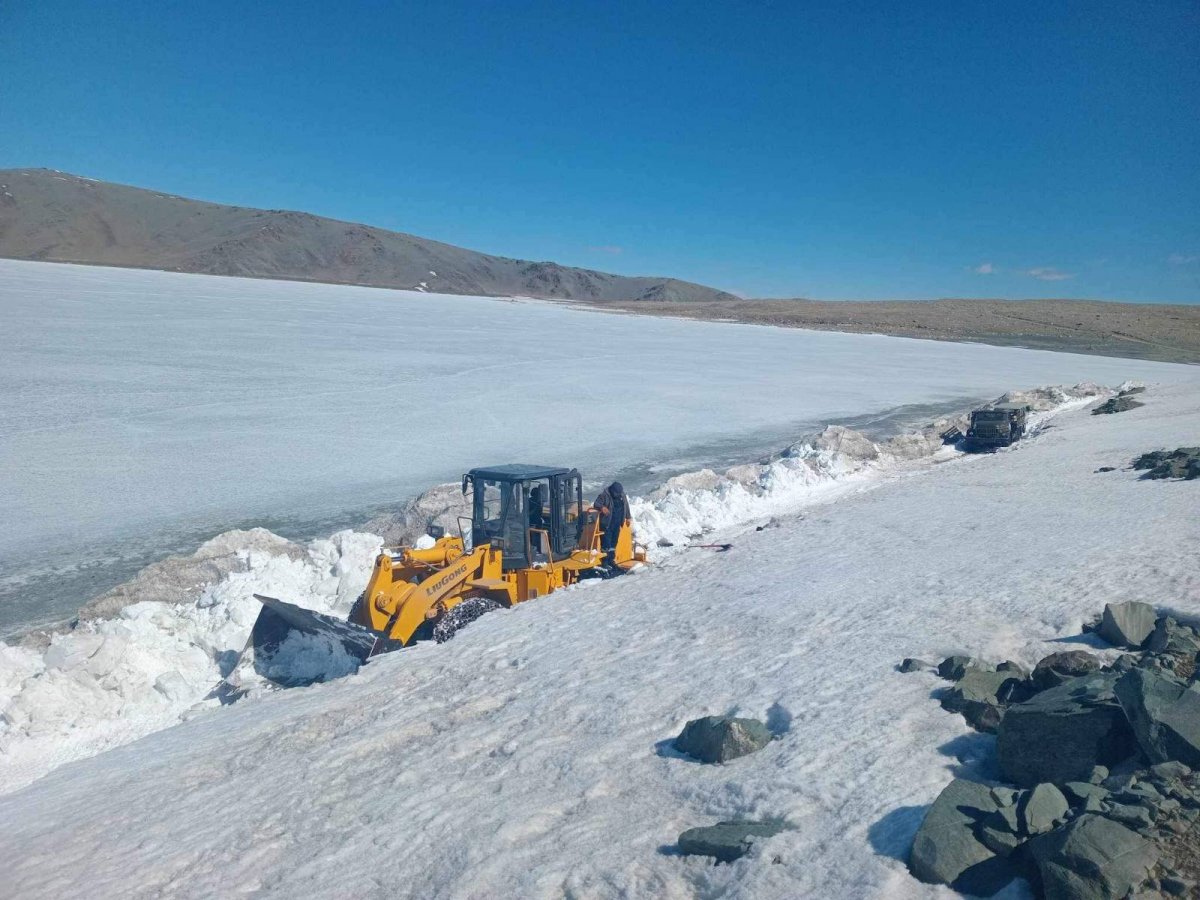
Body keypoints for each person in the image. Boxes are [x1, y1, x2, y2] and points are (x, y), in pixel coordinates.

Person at [593, 481, 628, 567]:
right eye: (616, 493)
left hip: (617, 523)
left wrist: (628, 517)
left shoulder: (622, 495)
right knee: (606, 544)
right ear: (612, 491)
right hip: (607, 524)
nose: (618, 495)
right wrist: (602, 507)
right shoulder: (604, 495)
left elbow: (626, 506)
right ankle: (605, 562)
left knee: (613, 543)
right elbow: (596, 503)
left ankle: (611, 560)